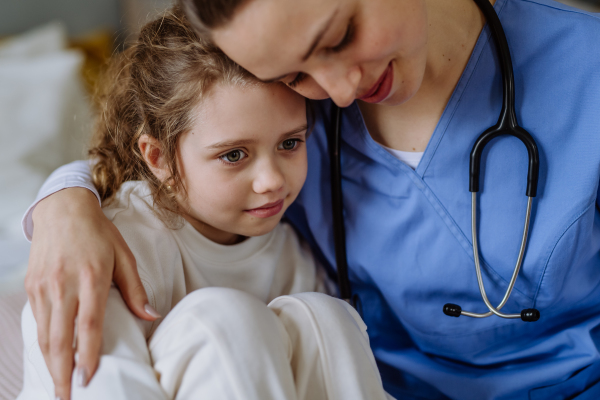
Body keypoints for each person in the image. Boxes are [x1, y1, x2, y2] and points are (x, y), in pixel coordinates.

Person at [22, 0, 600, 398]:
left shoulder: (585, 68)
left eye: (340, 36)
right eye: (295, 74)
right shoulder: (290, 122)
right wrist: (66, 200)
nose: (342, 91)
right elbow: (186, 151)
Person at [18, 9, 393, 400]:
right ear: (158, 158)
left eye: (289, 143)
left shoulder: (289, 254)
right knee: (227, 319)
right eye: (233, 155)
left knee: (327, 317)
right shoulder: (123, 240)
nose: (273, 181)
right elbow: (101, 382)